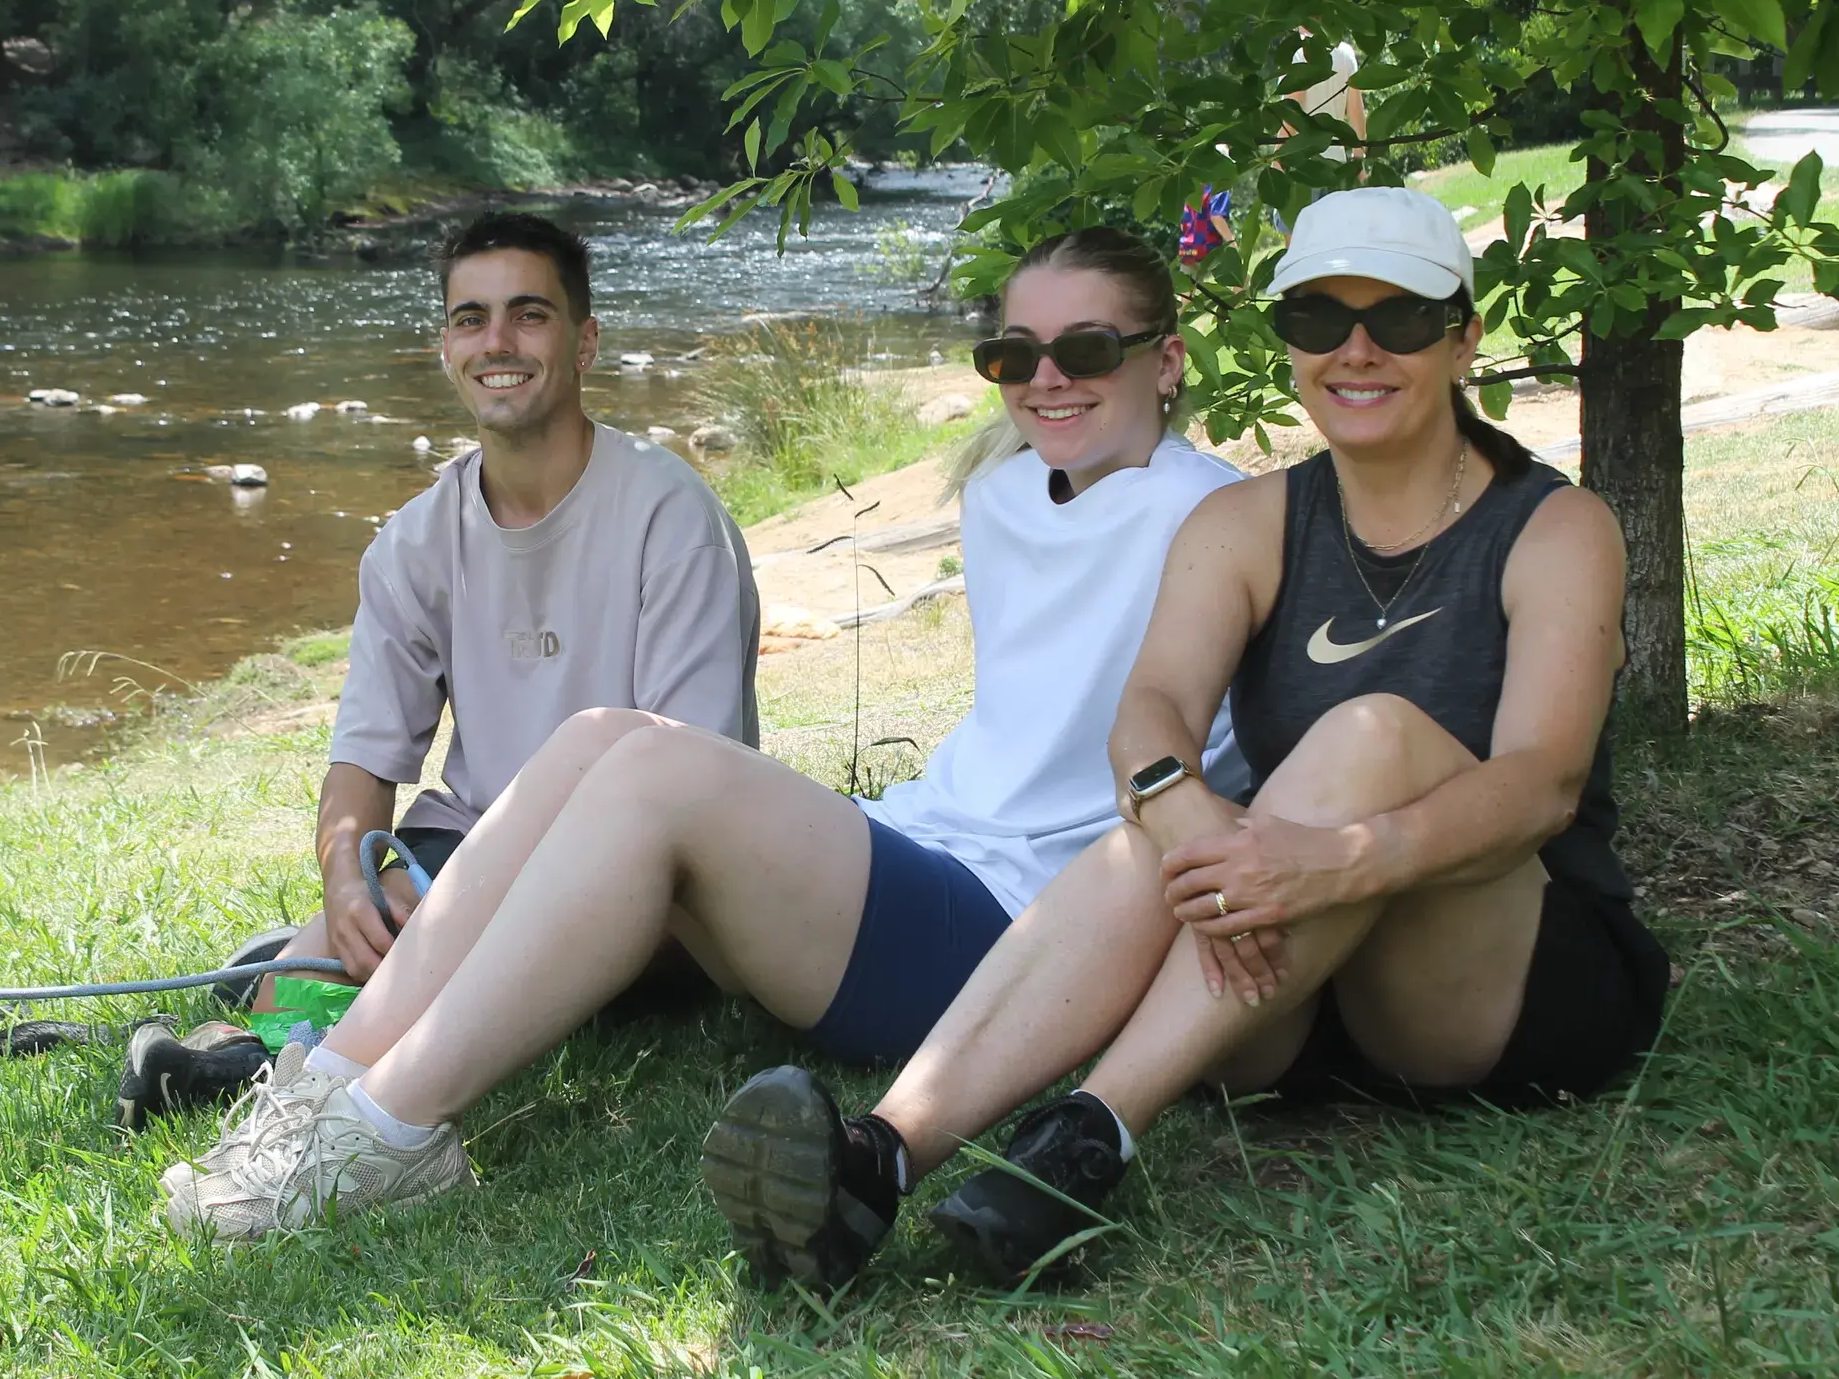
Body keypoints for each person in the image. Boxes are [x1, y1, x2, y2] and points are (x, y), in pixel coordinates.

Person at [157, 225, 1249, 1242]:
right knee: (598, 735)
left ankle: (388, 1129)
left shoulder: (1220, 517)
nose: (1047, 378)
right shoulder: (1007, 491)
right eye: (1014, 354)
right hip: (925, 847)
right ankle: (320, 1087)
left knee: (655, 766)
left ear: (1165, 360)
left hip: (1021, 931)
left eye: (1085, 348)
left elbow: (1259, 757)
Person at [701, 186, 1668, 1289]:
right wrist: (1189, 819)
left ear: (1461, 338)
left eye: (1398, 318)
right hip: (1290, 990)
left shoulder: (1554, 526)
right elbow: (1152, 710)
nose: (1356, 350)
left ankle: (1087, 1137)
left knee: (1373, 736)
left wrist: (1334, 860)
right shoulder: (1248, 521)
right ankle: (876, 1158)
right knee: (1144, 840)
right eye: (1318, 318)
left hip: (1498, 982)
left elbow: (1542, 785)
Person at [115, 210, 762, 1127]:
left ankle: (289, 1061)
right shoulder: (415, 541)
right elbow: (364, 762)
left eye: (529, 315)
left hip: (653, 881)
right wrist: (346, 884)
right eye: (471, 319)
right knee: (321, 958)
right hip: (470, 849)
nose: (497, 342)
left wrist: (455, 911)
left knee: (436, 948)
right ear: (446, 348)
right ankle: (244, 1046)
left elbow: (690, 797)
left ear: (584, 343)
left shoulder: (672, 517)